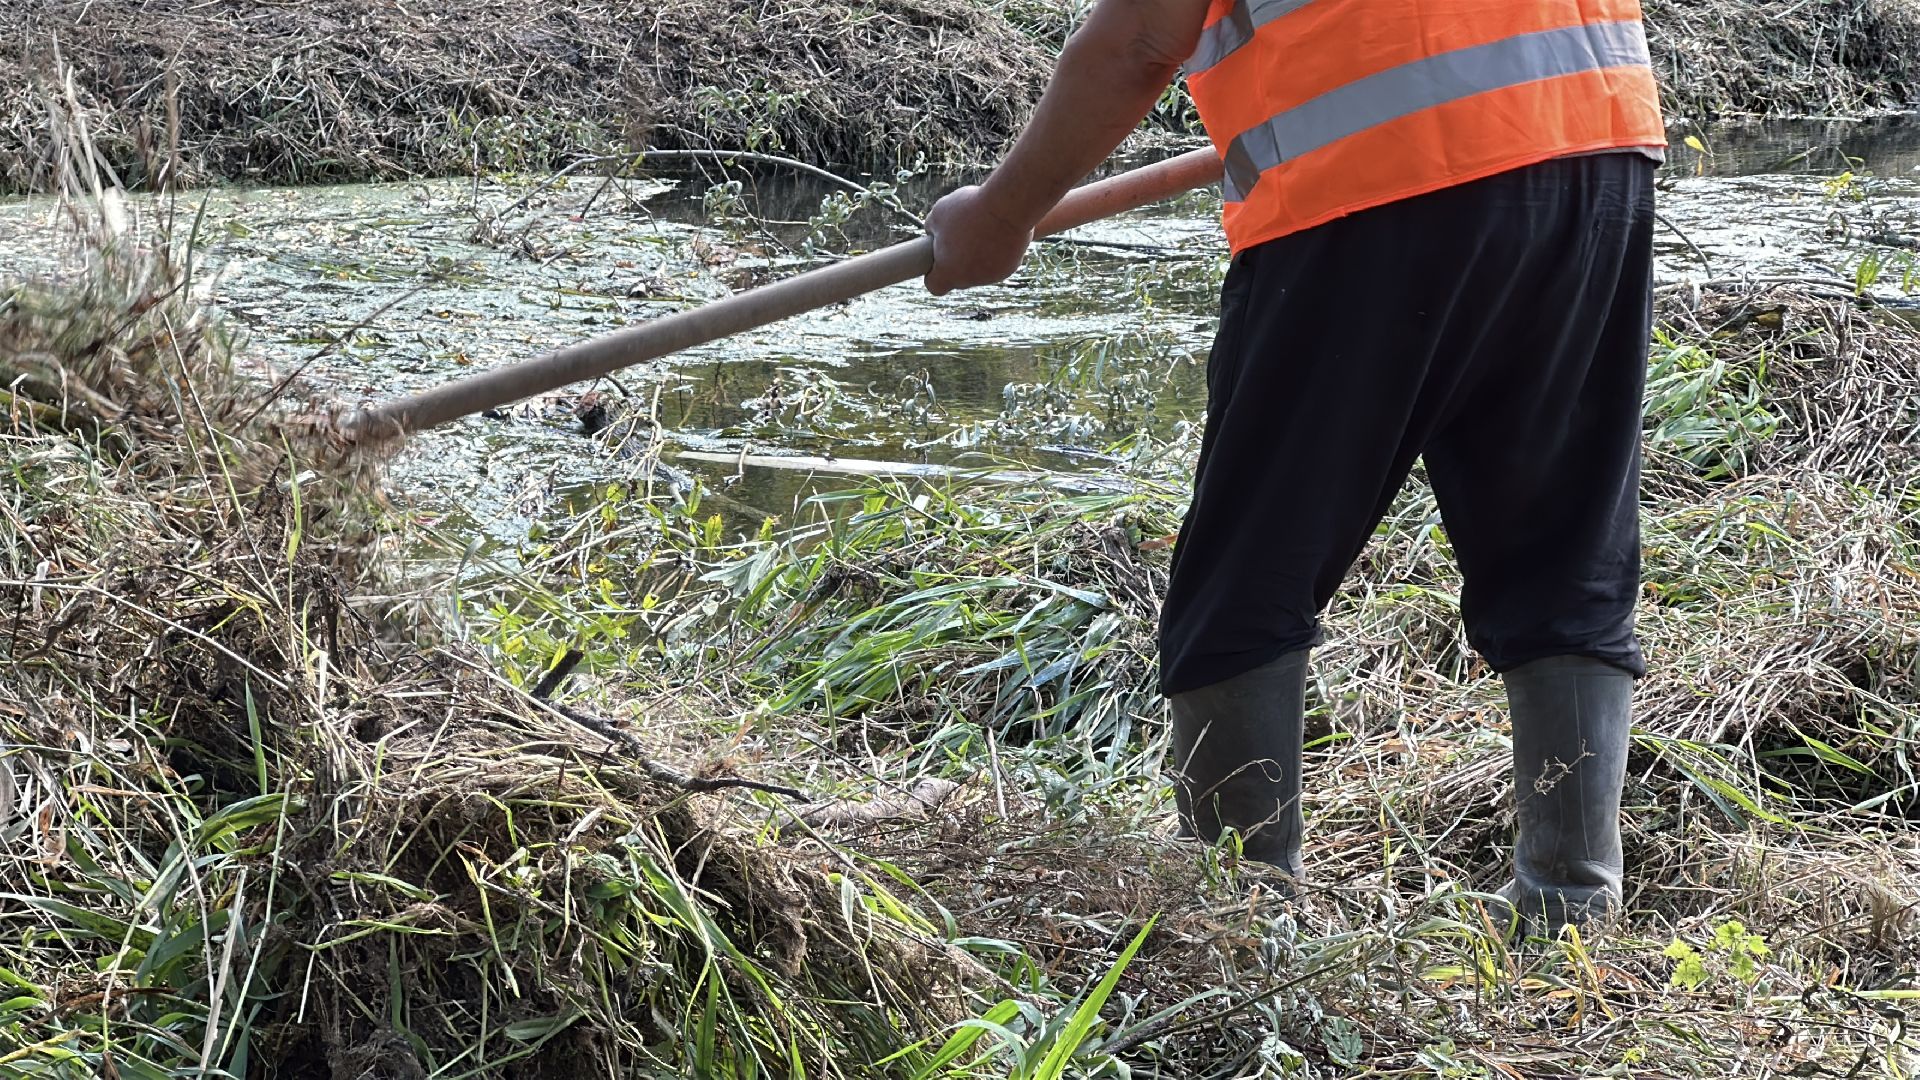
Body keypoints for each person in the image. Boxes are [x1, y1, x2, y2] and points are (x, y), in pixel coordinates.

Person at [923, 0, 1667, 936]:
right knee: (1563, 544)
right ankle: (1572, 924)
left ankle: (1241, 937)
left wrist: (999, 217)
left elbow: (1140, 42)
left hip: (1379, 182)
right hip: (1595, 151)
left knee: (1246, 573)